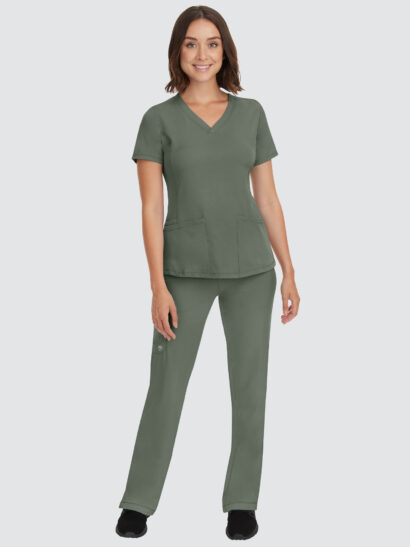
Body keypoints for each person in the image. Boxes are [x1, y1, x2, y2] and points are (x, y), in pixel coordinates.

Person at [116, 5, 300, 540]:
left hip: (252, 270)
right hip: (184, 271)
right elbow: (151, 208)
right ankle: (138, 502)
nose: (202, 54)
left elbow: (268, 198)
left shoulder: (252, 114)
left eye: (212, 43)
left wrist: (289, 270)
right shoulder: (158, 120)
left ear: (225, 51)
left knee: (250, 387)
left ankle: (242, 502)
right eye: (191, 43)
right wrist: (157, 286)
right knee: (166, 386)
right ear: (178, 51)